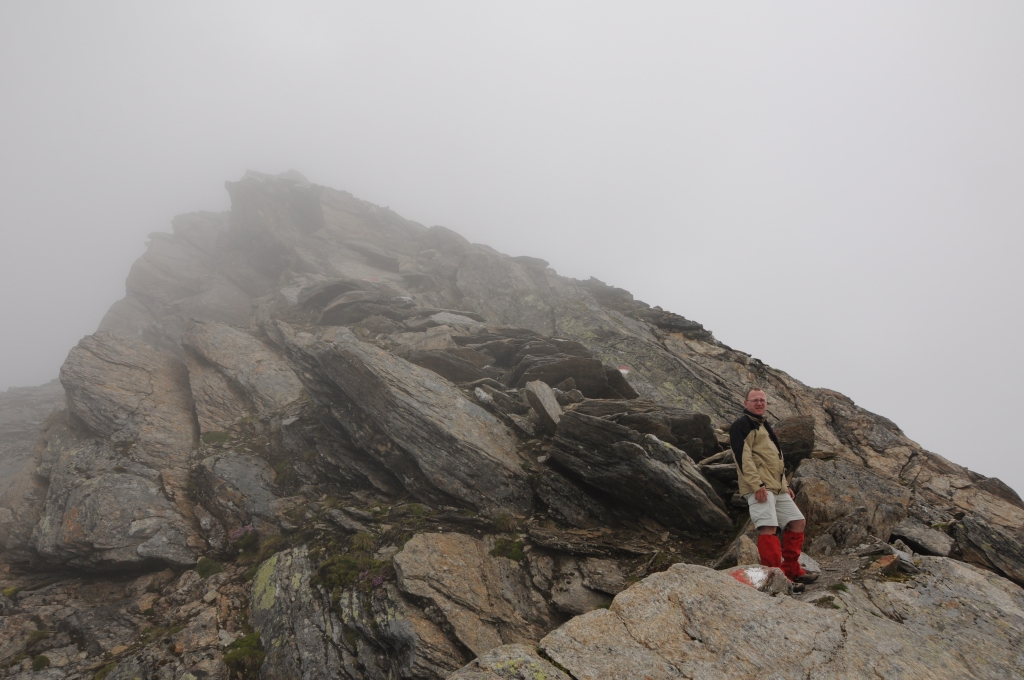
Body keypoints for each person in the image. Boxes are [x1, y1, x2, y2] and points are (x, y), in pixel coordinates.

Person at [730, 387, 817, 588]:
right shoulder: (741, 425)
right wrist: (756, 485)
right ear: (746, 403)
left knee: (797, 521)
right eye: (755, 400)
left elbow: (775, 458)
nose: (759, 403)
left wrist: (784, 485)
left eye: (762, 400)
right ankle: (776, 579)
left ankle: (792, 570)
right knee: (768, 528)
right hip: (760, 486)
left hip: (776, 486)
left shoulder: (763, 425)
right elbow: (741, 457)